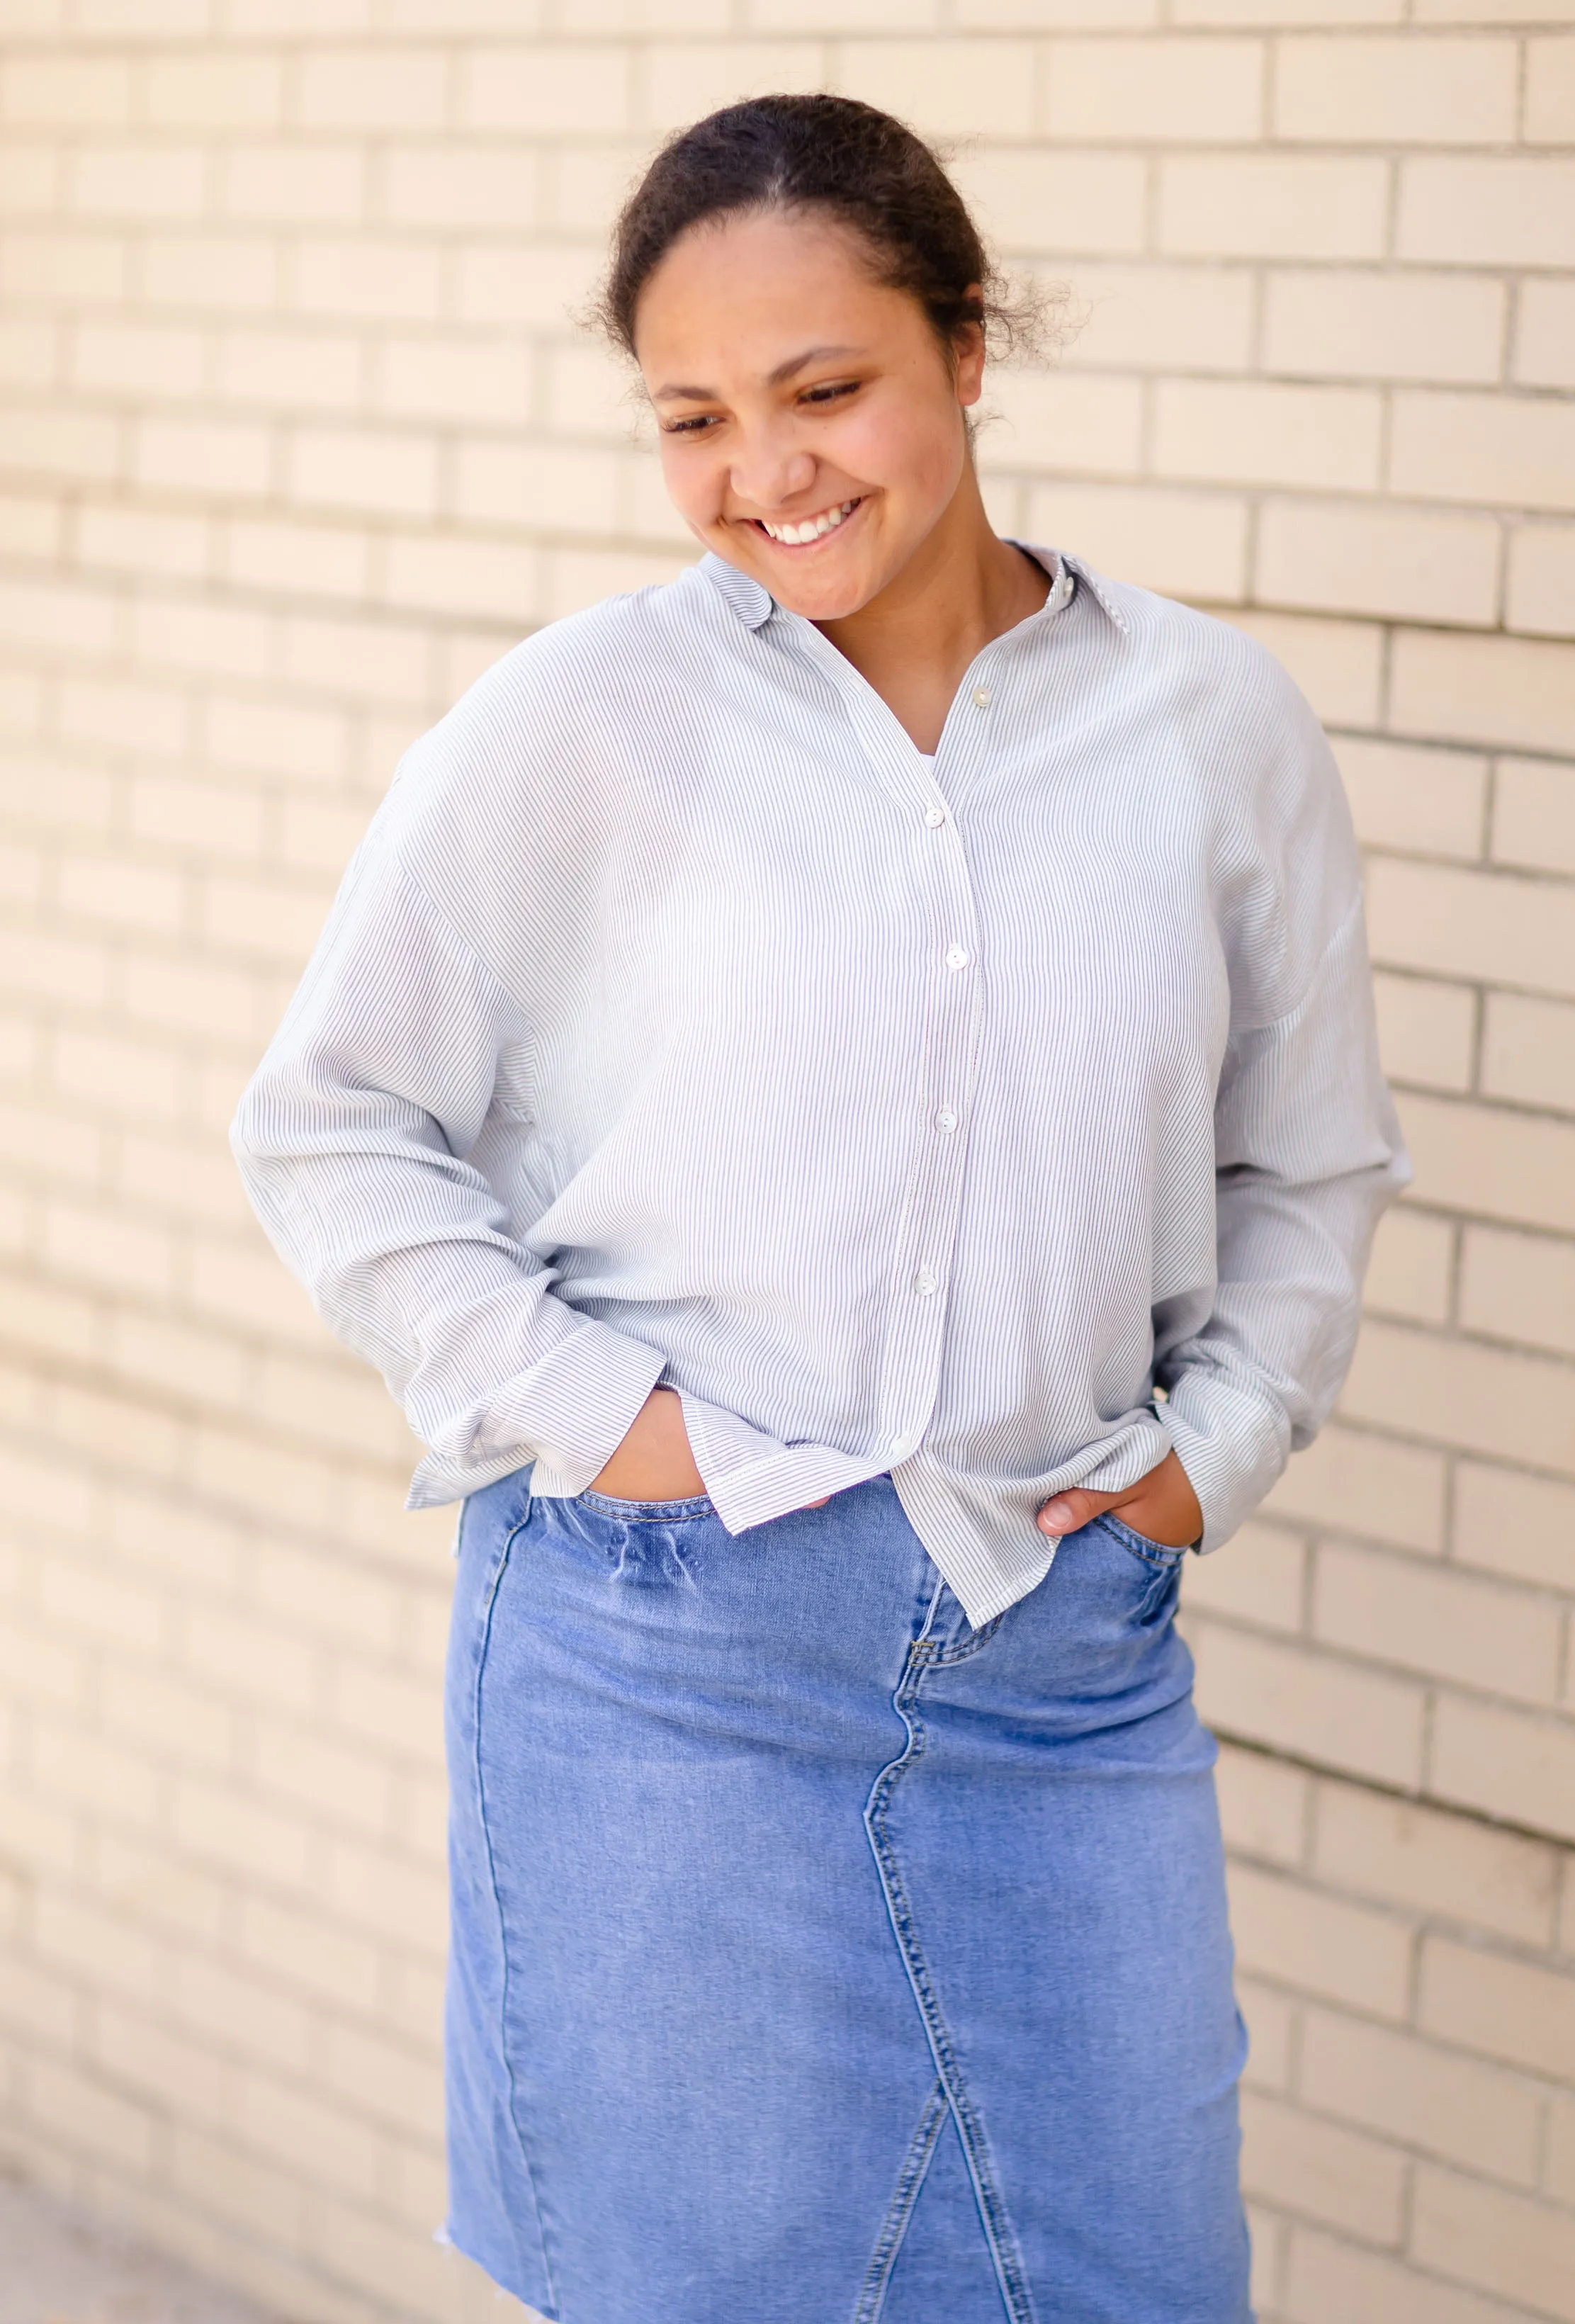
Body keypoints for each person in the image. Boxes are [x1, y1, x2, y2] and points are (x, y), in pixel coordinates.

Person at [232, 92, 1409, 2324]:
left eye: (823, 388)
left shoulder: (1204, 727)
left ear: (969, 347)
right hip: (663, 1660)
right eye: (692, 417)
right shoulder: (582, 722)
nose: (763, 473)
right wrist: (623, 1435)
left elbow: (1308, 1158)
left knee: (1132, 2285)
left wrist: (1212, 1448)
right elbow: (329, 1119)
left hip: (1061, 1673)